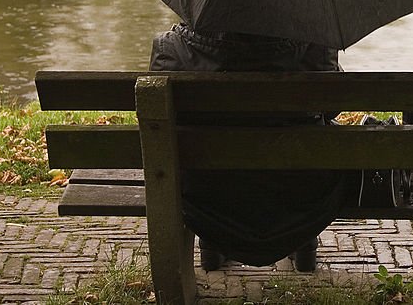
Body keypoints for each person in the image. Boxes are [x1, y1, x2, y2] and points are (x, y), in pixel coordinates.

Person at [149, 21, 357, 271]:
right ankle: (304, 245)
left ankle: (211, 247)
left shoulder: (170, 47)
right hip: (304, 194)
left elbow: (162, 115)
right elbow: (333, 106)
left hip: (205, 197)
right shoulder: (317, 45)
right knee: (313, 137)